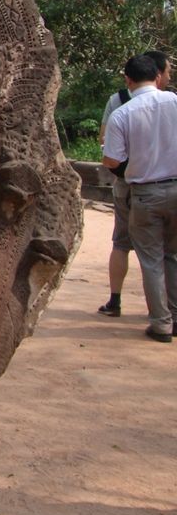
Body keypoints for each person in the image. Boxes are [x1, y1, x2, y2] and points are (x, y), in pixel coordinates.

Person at [102, 53, 177, 343]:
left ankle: (160, 323)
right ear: (157, 76)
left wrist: (133, 163)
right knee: (172, 255)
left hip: (146, 193)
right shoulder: (174, 103)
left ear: (128, 80)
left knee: (151, 259)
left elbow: (111, 160)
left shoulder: (123, 113)